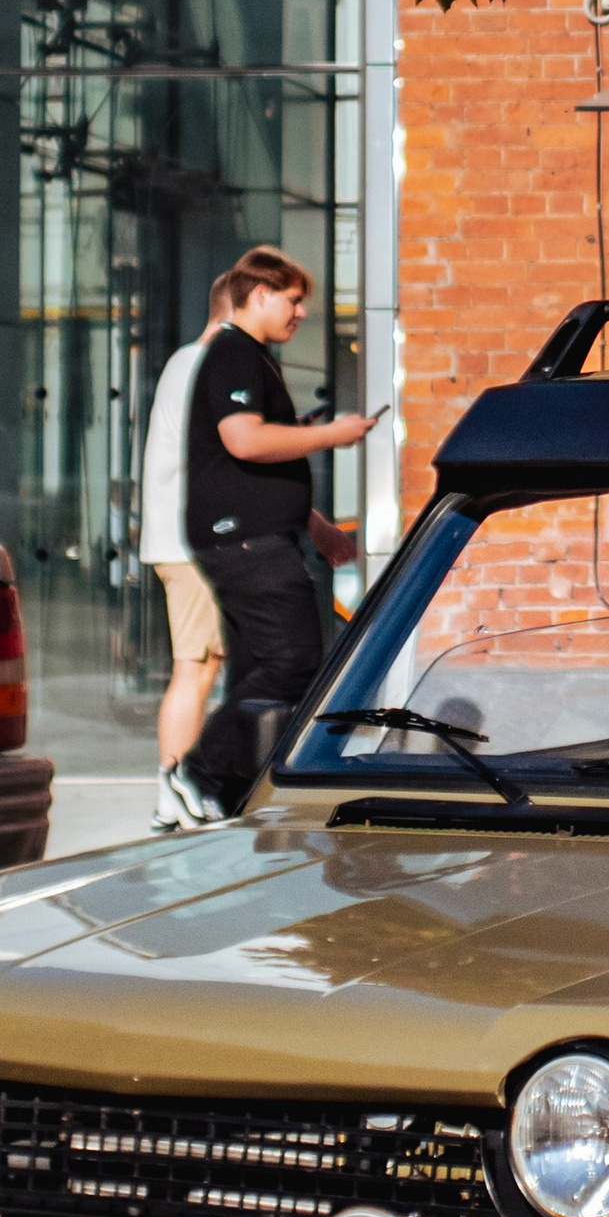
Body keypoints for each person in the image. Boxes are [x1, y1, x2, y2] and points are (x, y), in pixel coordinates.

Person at [179, 246, 375, 814]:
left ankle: (228, 791)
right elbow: (245, 440)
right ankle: (201, 771)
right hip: (245, 541)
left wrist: (320, 532)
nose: (302, 313)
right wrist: (331, 435)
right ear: (260, 294)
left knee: (261, 669)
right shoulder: (235, 354)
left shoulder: (249, 357)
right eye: (293, 300)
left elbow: (262, 458)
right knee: (296, 663)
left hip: (253, 536)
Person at [139, 274, 233, 833]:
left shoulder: (181, 362)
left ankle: (178, 789)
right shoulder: (205, 367)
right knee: (193, 670)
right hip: (191, 543)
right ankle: (175, 790)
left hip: (177, 541)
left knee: (200, 667)